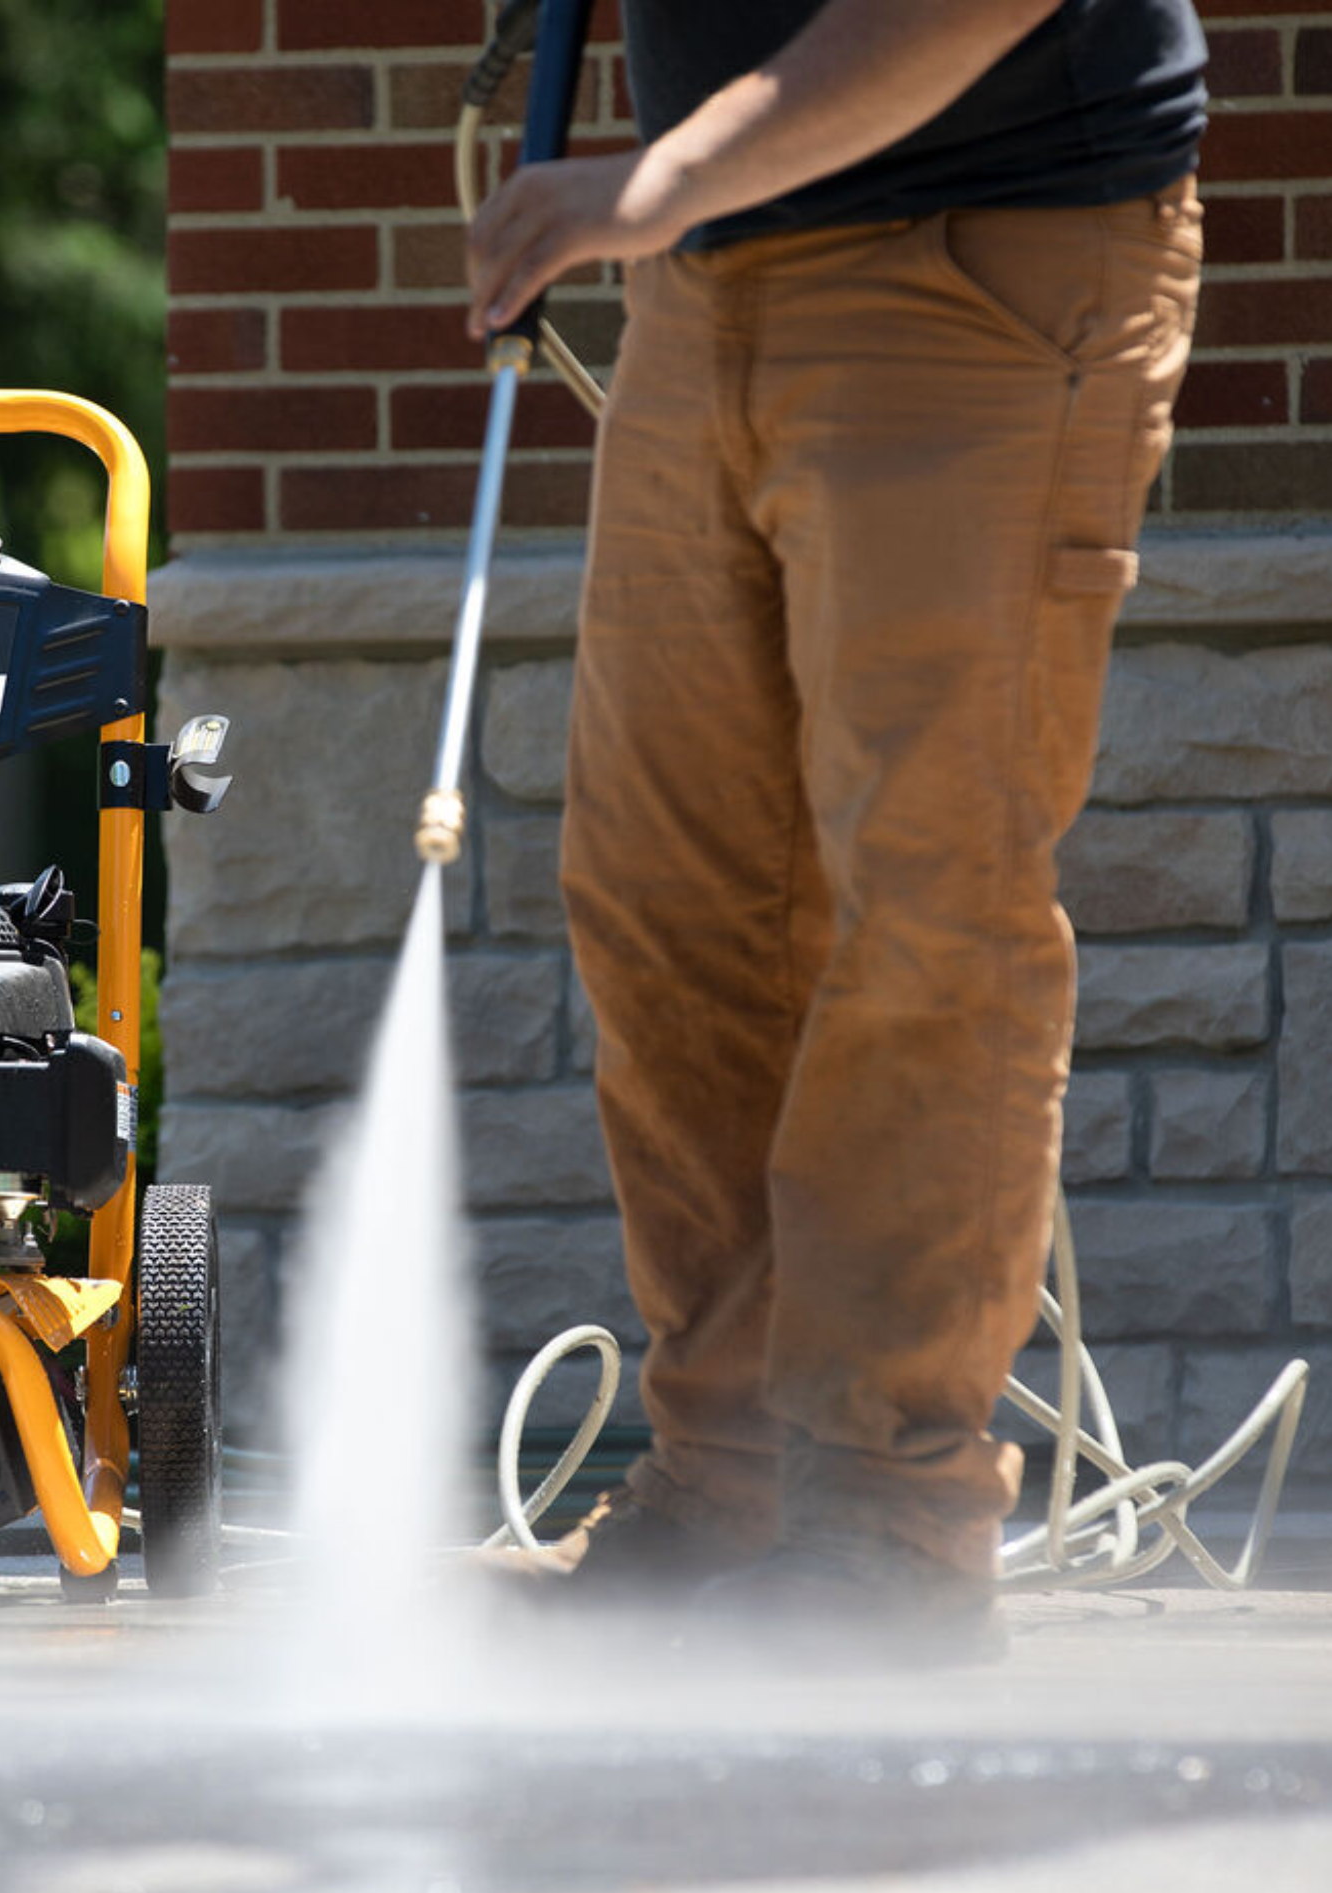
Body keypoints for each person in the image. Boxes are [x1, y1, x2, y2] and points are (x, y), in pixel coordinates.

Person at [465, 0, 1206, 1660]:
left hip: (984, 261)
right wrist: (674, 205)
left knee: (927, 905)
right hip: (709, 272)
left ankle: (890, 1525)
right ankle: (727, 1492)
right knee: (668, 900)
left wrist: (658, 178)